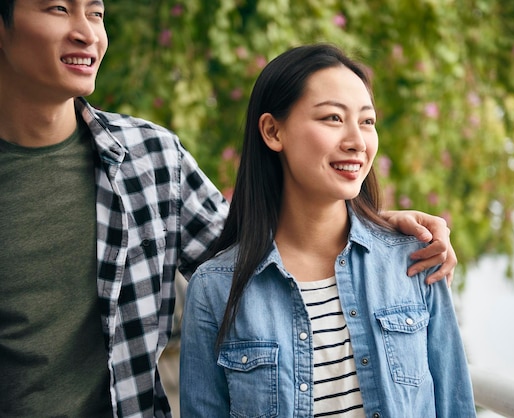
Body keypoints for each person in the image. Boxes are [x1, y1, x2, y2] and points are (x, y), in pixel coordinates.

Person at [0, 2, 458, 417]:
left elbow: (261, 255)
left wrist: (377, 227)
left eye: (96, 13)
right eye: (58, 8)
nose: (87, 33)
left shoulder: (151, 159)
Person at [180, 43, 476, 417]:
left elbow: (455, 406)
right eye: (333, 118)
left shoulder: (415, 259)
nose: (356, 142)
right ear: (273, 131)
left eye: (366, 121)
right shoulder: (214, 288)